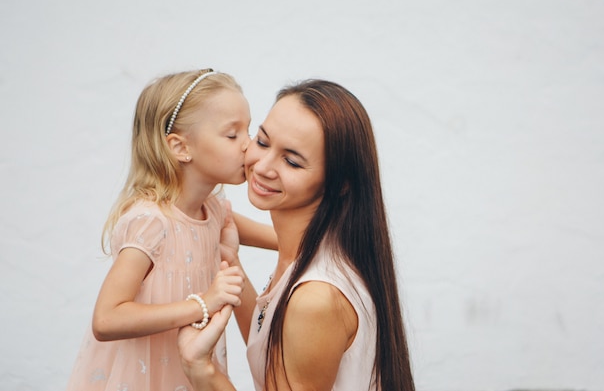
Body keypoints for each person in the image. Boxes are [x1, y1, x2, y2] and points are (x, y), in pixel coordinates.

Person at [178, 79, 416, 390]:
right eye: (262, 142)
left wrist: (201, 369)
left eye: (291, 161)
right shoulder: (310, 258)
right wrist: (231, 262)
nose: (262, 166)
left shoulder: (315, 297)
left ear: (339, 183)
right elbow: (275, 352)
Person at [66, 68, 277, 391]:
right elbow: (106, 319)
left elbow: (282, 240)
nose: (248, 147)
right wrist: (203, 303)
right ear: (180, 148)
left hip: (185, 375)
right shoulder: (151, 222)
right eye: (232, 135)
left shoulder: (214, 210)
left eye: (247, 131)